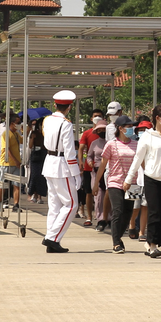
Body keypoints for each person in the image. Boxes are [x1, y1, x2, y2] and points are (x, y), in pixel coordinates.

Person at [123, 106, 161, 258]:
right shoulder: (147, 136)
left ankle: (160, 241)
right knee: (154, 212)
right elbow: (138, 158)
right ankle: (152, 245)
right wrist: (129, 179)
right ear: (157, 118)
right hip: (152, 179)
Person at [41, 91, 82, 253]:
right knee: (71, 204)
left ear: (55, 105)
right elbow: (70, 152)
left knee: (55, 205)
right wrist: (76, 173)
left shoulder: (48, 120)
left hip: (49, 163)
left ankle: (52, 238)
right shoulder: (65, 124)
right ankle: (52, 237)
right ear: (69, 107)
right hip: (61, 165)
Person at [94, 115, 138, 253]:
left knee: (127, 212)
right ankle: (116, 243)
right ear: (120, 128)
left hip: (132, 183)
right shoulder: (111, 144)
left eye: (132, 126)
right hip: (115, 181)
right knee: (118, 210)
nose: (131, 129)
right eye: (128, 127)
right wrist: (96, 184)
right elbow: (102, 165)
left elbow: (142, 163)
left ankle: (118, 237)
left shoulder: (136, 144)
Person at [78, 110, 107, 227]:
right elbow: (82, 150)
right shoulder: (87, 134)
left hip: (108, 171)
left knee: (107, 194)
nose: (97, 118)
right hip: (92, 170)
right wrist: (83, 161)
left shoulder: (110, 140)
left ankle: (107, 217)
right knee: (91, 193)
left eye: (99, 116)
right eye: (95, 116)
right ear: (91, 118)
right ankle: (92, 217)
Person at [0, 114, 23, 210]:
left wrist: (25, 130)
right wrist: (16, 160)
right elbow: (7, 149)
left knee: (17, 184)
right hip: (6, 163)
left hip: (16, 164)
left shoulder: (16, 134)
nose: (19, 124)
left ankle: (16, 204)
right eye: (18, 123)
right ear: (12, 123)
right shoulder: (6, 134)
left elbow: (23, 141)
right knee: (3, 184)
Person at [27, 120, 47, 203]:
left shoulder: (46, 133)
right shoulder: (33, 133)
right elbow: (30, 146)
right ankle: (33, 194)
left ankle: (40, 196)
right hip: (35, 154)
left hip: (43, 154)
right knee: (34, 175)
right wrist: (33, 138)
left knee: (42, 176)